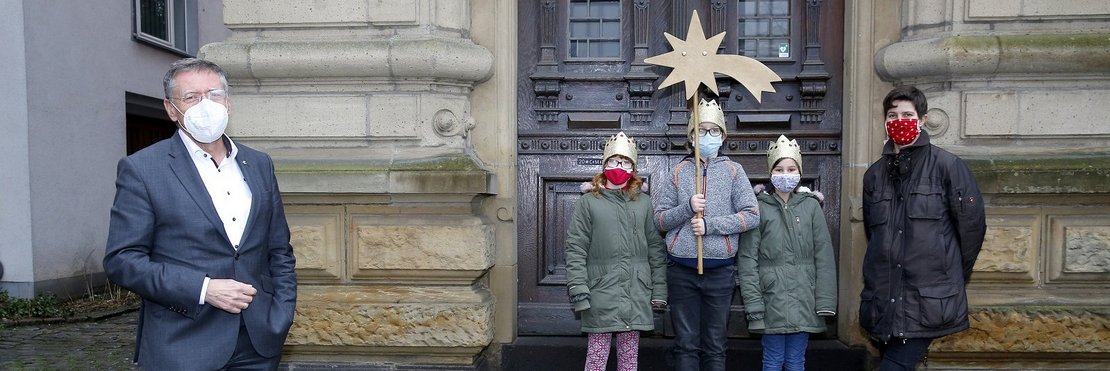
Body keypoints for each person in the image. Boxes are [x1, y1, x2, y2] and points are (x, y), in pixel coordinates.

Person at [104, 58, 297, 371]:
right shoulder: (142, 170)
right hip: (182, 345)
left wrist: (282, 313)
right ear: (170, 109)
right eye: (191, 97)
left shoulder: (260, 164)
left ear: (228, 103)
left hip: (259, 343)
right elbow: (122, 261)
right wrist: (204, 289)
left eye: (214, 94)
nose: (205, 104)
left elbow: (279, 251)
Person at [860, 86, 986, 370]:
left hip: (926, 300)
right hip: (882, 301)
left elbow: (971, 229)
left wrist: (950, 275)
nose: (899, 120)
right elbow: (874, 233)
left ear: (922, 120)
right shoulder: (874, 176)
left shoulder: (948, 166)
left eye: (907, 114)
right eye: (892, 115)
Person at [652, 98, 761, 371]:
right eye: (701, 131)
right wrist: (687, 208)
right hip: (682, 271)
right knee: (686, 344)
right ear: (691, 136)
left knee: (714, 345)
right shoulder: (679, 171)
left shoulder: (734, 172)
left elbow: (751, 215)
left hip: (720, 273)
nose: (707, 136)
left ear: (723, 136)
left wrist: (710, 225)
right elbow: (660, 220)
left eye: (714, 131)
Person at [565, 131, 668, 371]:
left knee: (629, 360)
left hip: (636, 291)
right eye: (613, 160)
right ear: (604, 164)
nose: (619, 166)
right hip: (600, 291)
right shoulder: (589, 202)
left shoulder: (644, 202)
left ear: (633, 167)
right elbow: (576, 248)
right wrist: (579, 290)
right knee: (597, 358)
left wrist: (659, 289)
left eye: (625, 162)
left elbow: (654, 247)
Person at [738, 135, 837, 371]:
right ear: (771, 172)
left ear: (799, 171)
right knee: (772, 360)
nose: (785, 174)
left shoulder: (811, 206)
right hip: (771, 299)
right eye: (780, 169)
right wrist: (754, 304)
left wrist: (824, 301)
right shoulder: (759, 208)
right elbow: (748, 259)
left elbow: (824, 256)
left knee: (795, 361)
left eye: (791, 169)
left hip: (805, 298)